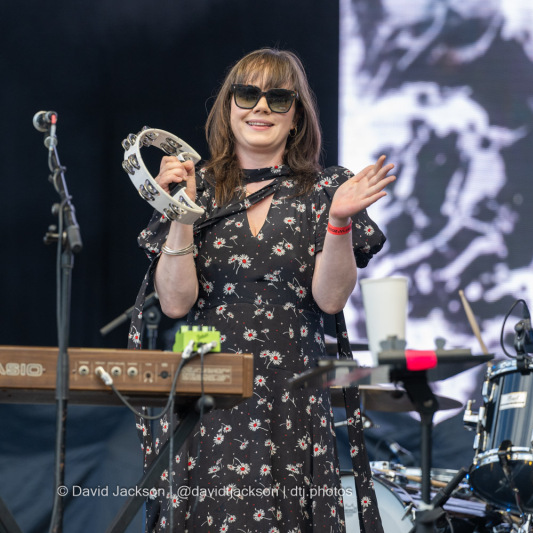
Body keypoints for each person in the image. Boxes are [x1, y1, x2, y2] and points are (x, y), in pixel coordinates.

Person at [129, 48, 395, 532]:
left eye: (278, 98)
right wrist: (182, 212)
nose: (261, 108)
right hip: (209, 390)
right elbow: (175, 302)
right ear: (228, 108)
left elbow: (330, 301)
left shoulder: (325, 188)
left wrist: (338, 221)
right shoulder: (197, 186)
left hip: (291, 394)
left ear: (296, 117)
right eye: (247, 94)